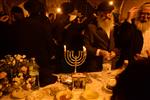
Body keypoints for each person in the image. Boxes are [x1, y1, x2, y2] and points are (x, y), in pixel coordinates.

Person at [112, 2, 150, 100]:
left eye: (148, 14)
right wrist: (128, 19)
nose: (145, 17)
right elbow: (121, 41)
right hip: (127, 69)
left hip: (145, 71)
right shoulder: (131, 25)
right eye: (143, 13)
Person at [84, 1, 118, 72]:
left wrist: (114, 52)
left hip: (111, 65)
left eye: (110, 13)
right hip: (95, 66)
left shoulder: (114, 28)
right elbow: (86, 46)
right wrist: (99, 52)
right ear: (99, 13)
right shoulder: (91, 27)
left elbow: (118, 44)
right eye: (105, 13)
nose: (107, 15)